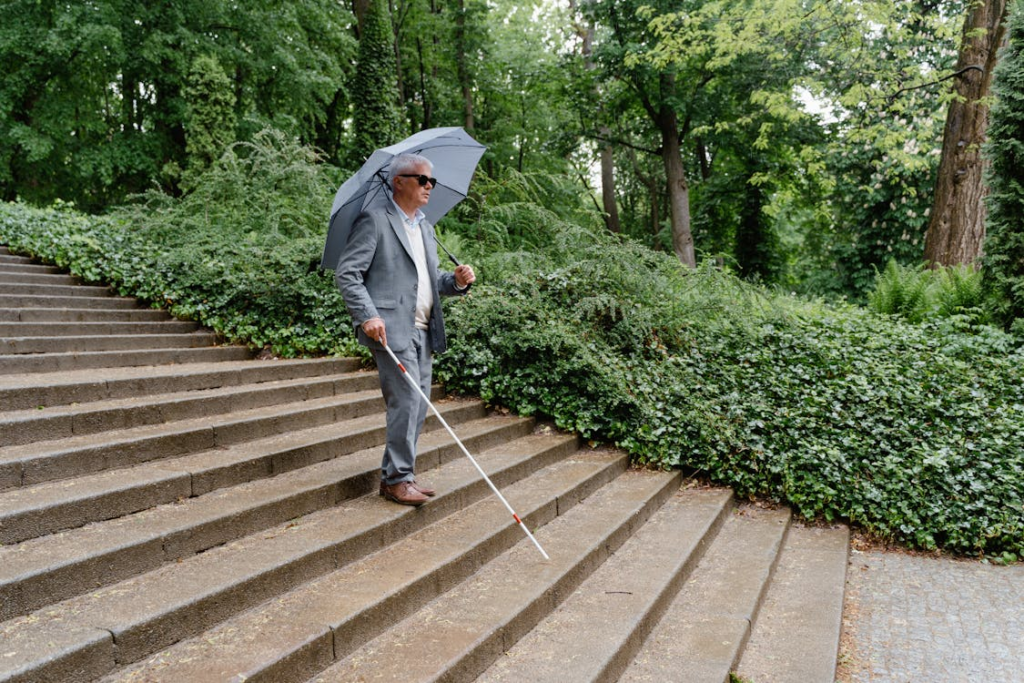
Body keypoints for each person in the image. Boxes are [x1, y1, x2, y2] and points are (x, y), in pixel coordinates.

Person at [335, 153, 476, 506]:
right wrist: (367, 315)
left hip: (424, 330)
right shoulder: (374, 220)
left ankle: (398, 476)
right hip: (390, 329)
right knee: (406, 402)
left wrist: (455, 282)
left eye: (432, 182)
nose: (430, 186)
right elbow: (347, 274)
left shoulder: (425, 227)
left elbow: (431, 281)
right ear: (399, 182)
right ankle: (397, 479)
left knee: (419, 404)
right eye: (422, 180)